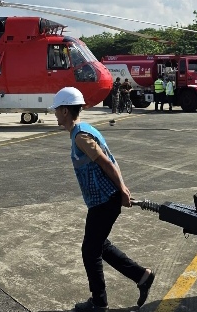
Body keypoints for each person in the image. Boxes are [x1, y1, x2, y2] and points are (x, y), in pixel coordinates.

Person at [52, 87, 155, 311]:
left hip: (104, 200)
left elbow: (106, 163)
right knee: (99, 245)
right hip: (104, 199)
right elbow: (110, 159)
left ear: (66, 111)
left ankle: (99, 302)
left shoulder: (80, 136)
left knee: (90, 251)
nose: (55, 114)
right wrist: (121, 188)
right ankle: (142, 276)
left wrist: (122, 189)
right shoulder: (85, 129)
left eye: (57, 110)